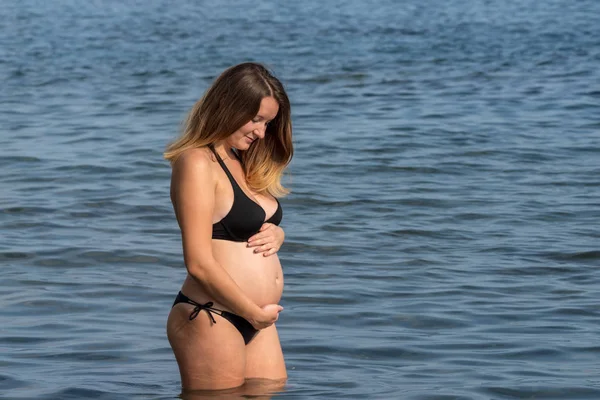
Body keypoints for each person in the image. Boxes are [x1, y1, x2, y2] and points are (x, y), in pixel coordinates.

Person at [164, 62, 293, 393]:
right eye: (257, 119)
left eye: (268, 122)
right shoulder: (196, 162)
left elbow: (248, 222)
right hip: (212, 315)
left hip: (257, 320)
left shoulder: (242, 159)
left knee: (273, 389)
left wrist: (277, 232)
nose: (262, 132)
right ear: (229, 105)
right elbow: (198, 262)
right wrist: (252, 313)